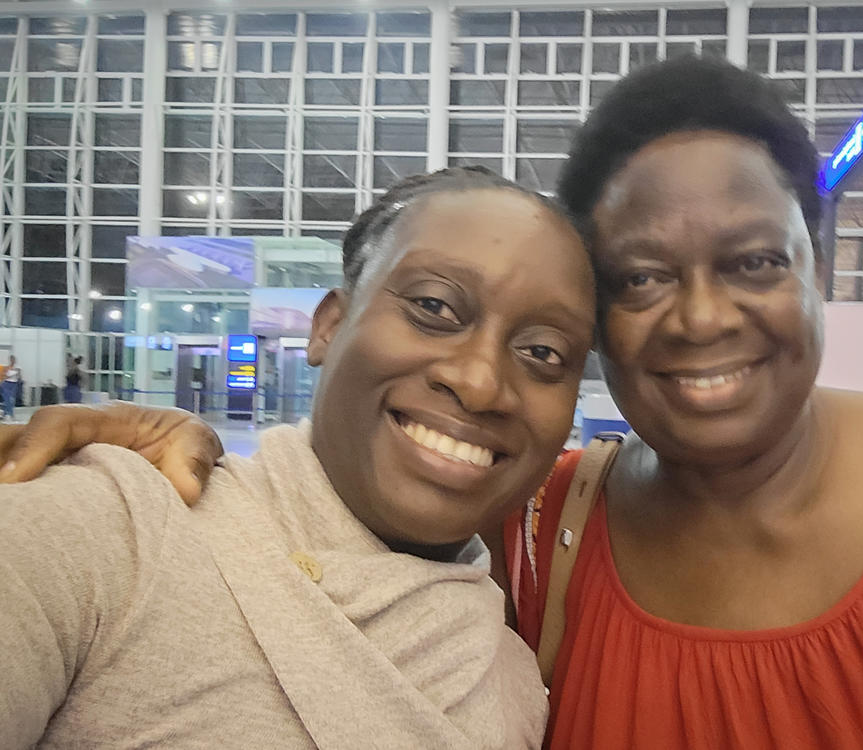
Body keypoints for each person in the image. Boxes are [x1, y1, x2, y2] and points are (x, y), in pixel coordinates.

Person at [4, 58, 863, 749]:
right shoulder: (540, 526)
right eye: (643, 277)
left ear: (818, 269)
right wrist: (135, 462)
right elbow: (314, 517)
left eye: (752, 261)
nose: (700, 318)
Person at [0, 167, 596, 748]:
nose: (480, 383)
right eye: (434, 308)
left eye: (543, 350)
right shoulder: (109, 528)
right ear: (330, 327)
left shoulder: (514, 681)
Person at [1, 354, 21, 421]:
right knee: (7, 400)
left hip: (13, 384)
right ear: (10, 360)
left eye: (14, 360)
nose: (12, 361)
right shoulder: (6, 368)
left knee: (12, 400)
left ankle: (8, 413)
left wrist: (16, 374)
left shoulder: (17, 368)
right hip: (6, 384)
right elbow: (4, 376)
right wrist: (10, 375)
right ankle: (8, 414)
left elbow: (19, 377)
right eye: (11, 359)